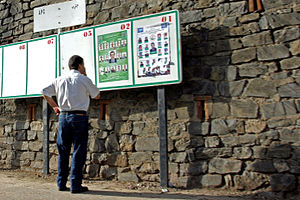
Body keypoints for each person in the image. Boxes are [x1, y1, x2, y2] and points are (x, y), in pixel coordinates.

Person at [42, 55, 100, 194]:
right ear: (80, 65)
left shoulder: (59, 79)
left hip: (63, 117)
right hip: (79, 117)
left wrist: (55, 107)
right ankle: (75, 185)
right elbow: (97, 95)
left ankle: (61, 183)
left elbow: (44, 92)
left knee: (63, 151)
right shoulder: (83, 79)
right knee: (78, 151)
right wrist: (85, 77)